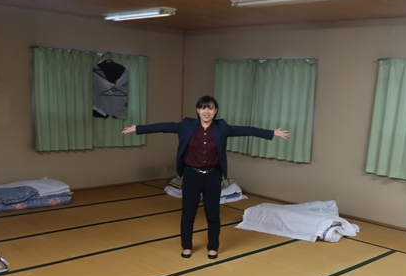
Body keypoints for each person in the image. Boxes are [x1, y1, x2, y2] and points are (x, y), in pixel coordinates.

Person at [122, 95, 290, 259]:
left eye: (210, 108)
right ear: (198, 110)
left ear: (215, 111)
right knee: (188, 214)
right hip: (191, 176)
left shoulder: (221, 127)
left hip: (212, 176)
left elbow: (246, 130)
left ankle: (213, 247)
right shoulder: (187, 125)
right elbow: (164, 127)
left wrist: (272, 133)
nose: (206, 112)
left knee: (213, 214)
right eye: (203, 108)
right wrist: (138, 128)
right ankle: (187, 246)